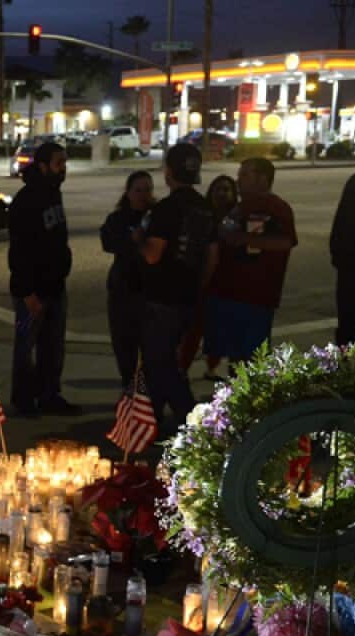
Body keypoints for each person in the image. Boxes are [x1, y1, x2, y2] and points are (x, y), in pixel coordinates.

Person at [137, 143, 218, 433]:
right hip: (189, 295)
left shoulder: (167, 208)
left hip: (163, 296)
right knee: (163, 358)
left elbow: (153, 254)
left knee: (161, 362)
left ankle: (193, 420)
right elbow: (212, 257)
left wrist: (137, 238)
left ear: (169, 172)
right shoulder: (204, 207)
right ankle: (151, 418)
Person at [8, 141, 79, 416]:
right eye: (59, 163)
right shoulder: (26, 201)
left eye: (65, 162)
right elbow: (19, 251)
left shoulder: (53, 194)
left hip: (55, 287)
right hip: (31, 292)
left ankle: (50, 395)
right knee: (25, 348)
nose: (64, 168)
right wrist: (28, 293)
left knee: (53, 347)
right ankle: (24, 400)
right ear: (43, 165)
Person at [205, 158, 297, 365]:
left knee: (252, 360)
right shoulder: (239, 207)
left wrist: (245, 239)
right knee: (233, 358)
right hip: (228, 293)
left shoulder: (277, 208)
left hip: (256, 296)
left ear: (263, 178)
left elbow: (285, 242)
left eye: (245, 175)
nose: (239, 180)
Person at [178, 175, 238, 379]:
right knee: (194, 329)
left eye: (226, 189)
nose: (222, 193)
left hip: (227, 281)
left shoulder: (237, 217)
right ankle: (182, 368)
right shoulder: (203, 216)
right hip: (202, 279)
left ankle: (212, 367)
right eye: (218, 189)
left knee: (219, 328)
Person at [100, 171, 154, 389]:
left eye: (147, 190)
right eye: (138, 190)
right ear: (128, 192)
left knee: (151, 349)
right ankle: (129, 390)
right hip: (123, 290)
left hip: (151, 291)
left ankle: (149, 395)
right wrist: (131, 240)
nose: (143, 195)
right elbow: (108, 242)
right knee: (124, 347)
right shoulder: (118, 218)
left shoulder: (158, 216)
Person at [330, 169, 355, 346]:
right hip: (351, 267)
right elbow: (342, 222)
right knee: (348, 325)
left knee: (348, 325)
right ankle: (348, 367)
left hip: (350, 266)